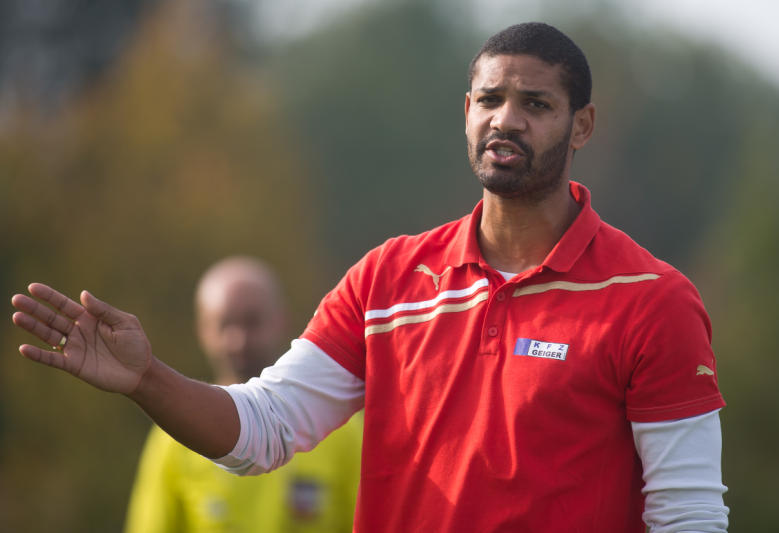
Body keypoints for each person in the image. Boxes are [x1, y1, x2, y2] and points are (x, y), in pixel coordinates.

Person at [11, 22, 728, 532]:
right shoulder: (388, 279)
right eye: (489, 99)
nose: (506, 120)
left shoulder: (651, 300)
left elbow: (689, 516)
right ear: (467, 112)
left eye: (535, 104)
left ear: (583, 125)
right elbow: (265, 429)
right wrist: (147, 378)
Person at [123, 256, 362, 533]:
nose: (239, 340)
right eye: (224, 324)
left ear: (281, 321)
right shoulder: (177, 432)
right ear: (202, 330)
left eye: (252, 322)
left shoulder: (337, 424)